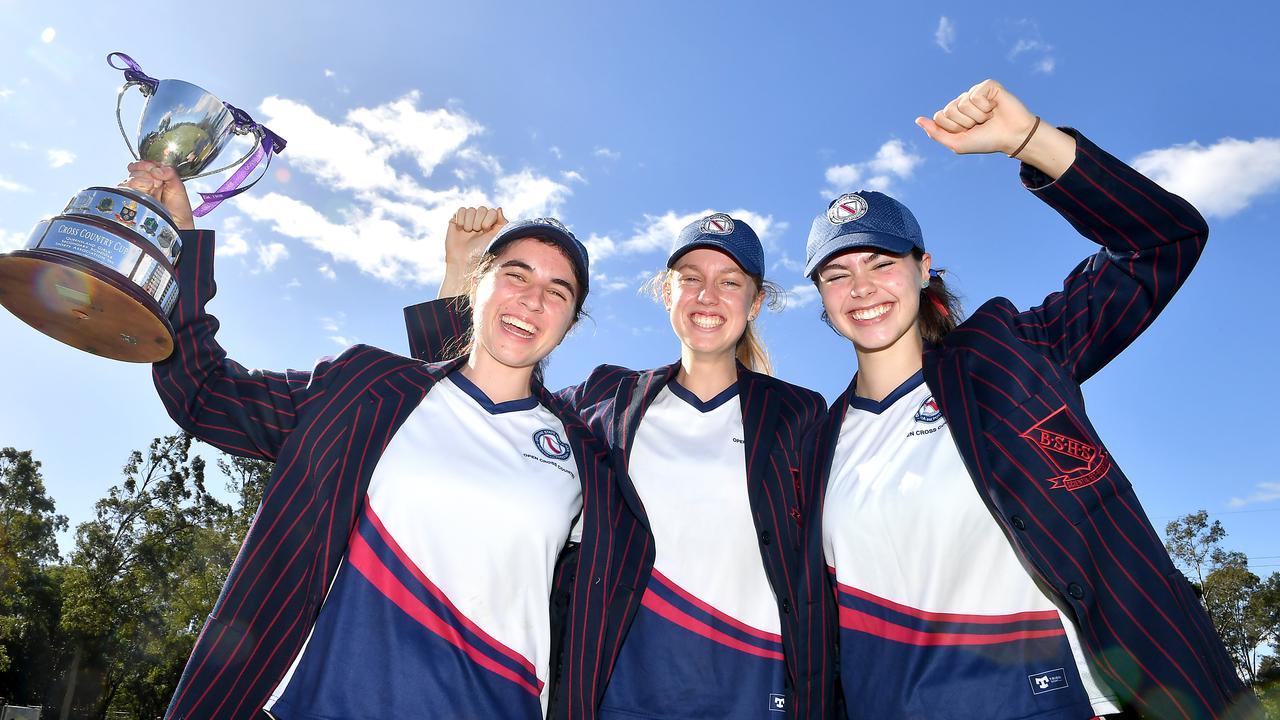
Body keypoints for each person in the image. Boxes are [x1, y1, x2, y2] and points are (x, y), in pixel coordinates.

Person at [800, 80, 1262, 719]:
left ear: (923, 266)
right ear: (821, 297)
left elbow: (1163, 241)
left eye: (881, 262)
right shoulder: (811, 446)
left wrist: (1030, 140)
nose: (861, 287)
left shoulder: (1012, 353)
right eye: (836, 273)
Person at [130, 160, 610, 720]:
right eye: (516, 274)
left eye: (558, 291)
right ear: (477, 285)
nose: (533, 298)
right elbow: (204, 390)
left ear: (570, 322)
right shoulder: (368, 391)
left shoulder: (584, 453)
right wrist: (177, 240)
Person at [407, 210, 833, 718]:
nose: (707, 296)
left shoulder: (798, 413)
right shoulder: (608, 398)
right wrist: (461, 274)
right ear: (666, 292)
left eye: (730, 282)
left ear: (756, 301)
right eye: (690, 279)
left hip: (754, 691)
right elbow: (478, 408)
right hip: (616, 693)